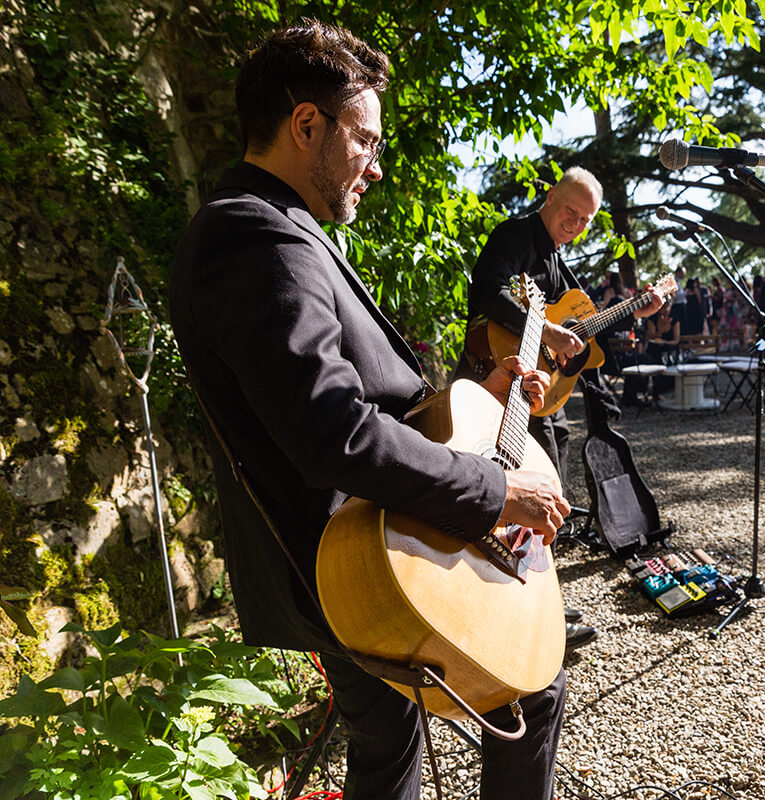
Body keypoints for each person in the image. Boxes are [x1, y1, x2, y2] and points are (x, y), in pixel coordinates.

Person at [169, 21, 568, 800]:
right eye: (366, 140)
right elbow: (333, 432)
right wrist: (494, 493)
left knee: (387, 745)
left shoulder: (278, 228)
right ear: (306, 124)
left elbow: (363, 403)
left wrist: (481, 401)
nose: (376, 167)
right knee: (525, 687)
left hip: (376, 539)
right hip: (358, 560)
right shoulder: (256, 237)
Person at [459, 167, 661, 652]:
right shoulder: (515, 235)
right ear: (550, 197)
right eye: (570, 211)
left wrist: (636, 308)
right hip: (499, 379)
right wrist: (546, 332)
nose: (575, 224)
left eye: (585, 220)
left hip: (542, 396)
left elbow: (582, 334)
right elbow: (487, 293)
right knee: (511, 492)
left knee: (548, 495)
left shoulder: (556, 261)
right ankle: (507, 609)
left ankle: (538, 600)